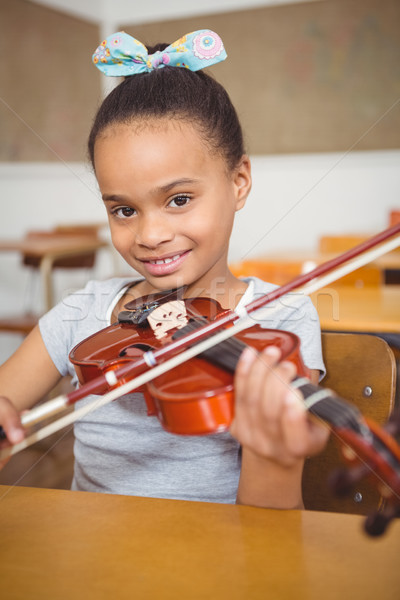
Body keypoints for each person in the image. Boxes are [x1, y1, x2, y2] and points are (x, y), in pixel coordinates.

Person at [0, 30, 328, 509]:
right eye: (124, 210)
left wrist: (274, 458)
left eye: (178, 200)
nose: (150, 235)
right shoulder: (84, 313)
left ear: (239, 182)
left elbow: (270, 535)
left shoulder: (282, 322)